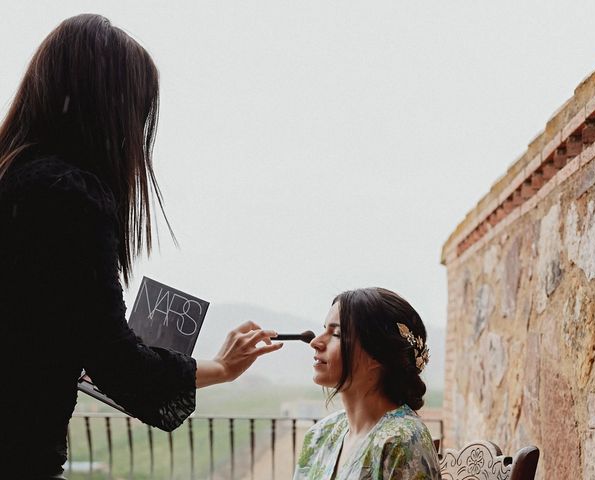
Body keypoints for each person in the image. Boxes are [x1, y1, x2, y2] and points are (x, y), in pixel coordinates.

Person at [0, 14, 282, 479]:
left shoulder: (14, 178)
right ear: (110, 111)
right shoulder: (68, 193)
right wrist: (221, 367)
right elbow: (115, 360)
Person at [294, 288, 442, 480]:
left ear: (378, 355)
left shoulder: (402, 440)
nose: (315, 342)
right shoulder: (320, 434)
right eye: (324, 330)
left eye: (337, 334)